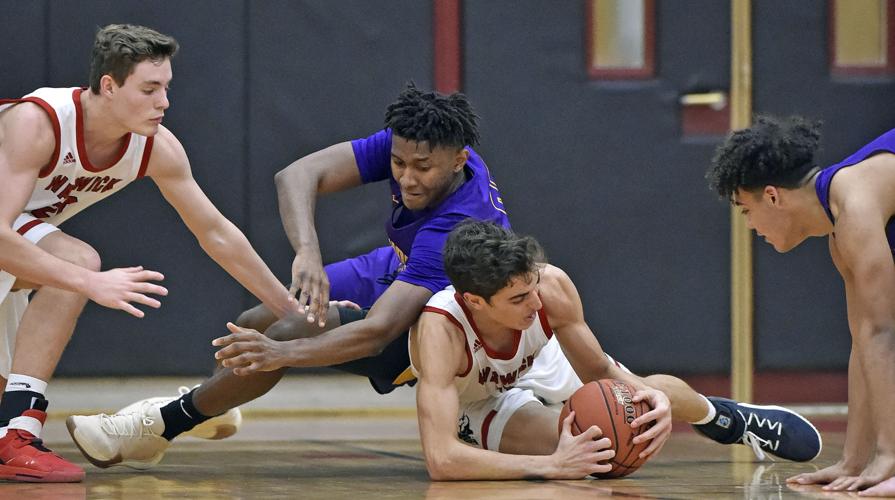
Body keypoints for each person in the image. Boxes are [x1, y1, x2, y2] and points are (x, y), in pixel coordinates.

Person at [66, 84, 512, 469]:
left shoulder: (457, 227)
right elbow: (297, 174)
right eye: (399, 164)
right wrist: (308, 251)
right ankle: (217, 405)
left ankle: (160, 426)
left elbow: (378, 333)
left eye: (422, 169)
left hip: (445, 323)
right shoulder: (420, 144)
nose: (407, 178)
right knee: (255, 320)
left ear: (459, 161)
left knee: (285, 331)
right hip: (398, 267)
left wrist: (282, 353)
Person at [0, 24, 302, 482]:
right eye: (149, 89)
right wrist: (89, 283)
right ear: (109, 85)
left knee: (64, 276)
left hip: (13, 236)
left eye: (166, 88)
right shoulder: (37, 123)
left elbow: (216, 233)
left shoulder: (155, 147)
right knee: (77, 263)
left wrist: (290, 312)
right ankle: (16, 431)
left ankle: (15, 431)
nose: (164, 102)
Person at [409, 220, 824, 480]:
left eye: (533, 289)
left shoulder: (548, 288)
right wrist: (551, 466)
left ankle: (724, 418)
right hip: (480, 401)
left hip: (540, 359)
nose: (535, 306)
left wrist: (656, 401)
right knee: (593, 444)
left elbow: (600, 374)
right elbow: (442, 460)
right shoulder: (441, 333)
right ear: (475, 301)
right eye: (518, 300)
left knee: (634, 401)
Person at [706, 116, 895, 496]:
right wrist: (853, 461)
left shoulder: (855, 209)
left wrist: (890, 457)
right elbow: (864, 342)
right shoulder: (841, 230)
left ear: (773, 196)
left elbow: (884, 333)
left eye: (746, 210)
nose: (749, 226)